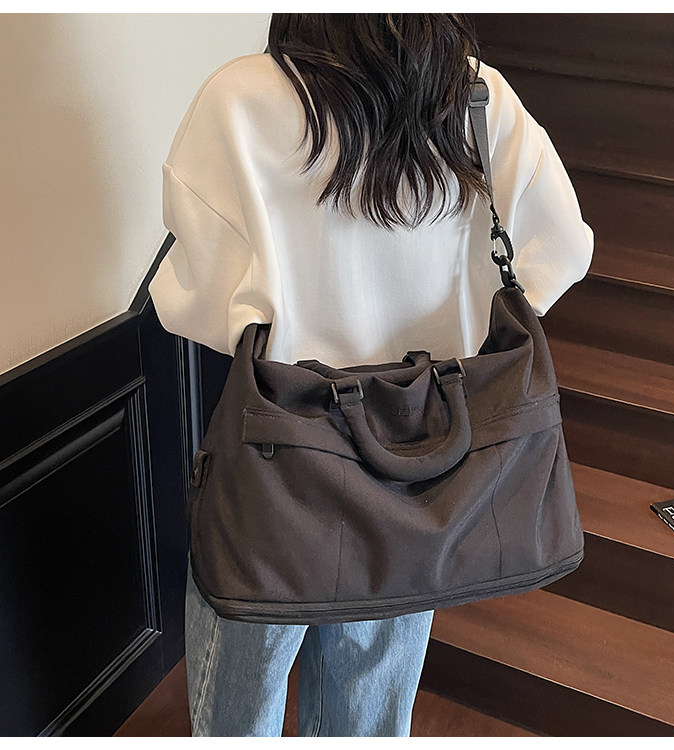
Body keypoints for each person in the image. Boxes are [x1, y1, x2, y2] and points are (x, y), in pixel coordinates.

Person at [148, 13, 594, 738]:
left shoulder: (239, 98)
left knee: (239, 704)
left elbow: (189, 300)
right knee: (370, 710)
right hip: (426, 456)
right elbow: (562, 249)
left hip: (281, 457)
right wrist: (457, 319)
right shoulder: (478, 99)